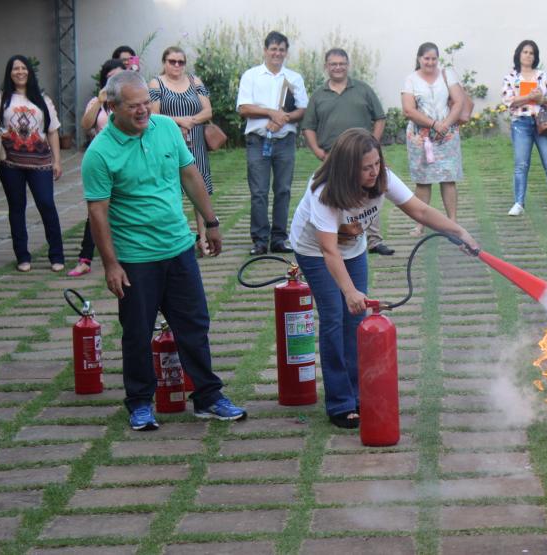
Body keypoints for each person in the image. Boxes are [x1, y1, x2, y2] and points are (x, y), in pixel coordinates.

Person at [82, 71, 246, 430]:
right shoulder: (99, 153)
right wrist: (111, 264)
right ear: (112, 107)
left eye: (146, 103)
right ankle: (140, 401)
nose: (143, 111)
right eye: (133, 106)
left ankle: (208, 396)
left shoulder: (167, 129)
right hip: (136, 257)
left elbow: (190, 175)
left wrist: (212, 221)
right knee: (137, 331)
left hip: (178, 246)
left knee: (194, 324)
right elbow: (98, 212)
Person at [290, 128, 478, 428]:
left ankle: (358, 393)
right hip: (313, 250)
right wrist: (349, 291)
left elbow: (420, 210)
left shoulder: (383, 178)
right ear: (347, 167)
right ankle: (340, 402)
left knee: (356, 319)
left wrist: (459, 232)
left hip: (352, 248)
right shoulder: (324, 192)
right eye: (366, 167)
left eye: (377, 163)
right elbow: (328, 250)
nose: (373, 172)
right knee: (335, 316)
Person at [302, 48, 393, 256]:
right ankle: (337, 237)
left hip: (363, 155)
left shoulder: (363, 89)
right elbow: (308, 127)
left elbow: (380, 117)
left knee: (371, 191)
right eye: (333, 64)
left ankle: (374, 240)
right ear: (326, 66)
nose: (338, 67)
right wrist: (317, 150)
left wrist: (373, 145)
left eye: (342, 63)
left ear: (348, 65)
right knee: (334, 196)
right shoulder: (318, 96)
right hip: (332, 158)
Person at [0, 55, 65, 273]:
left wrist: (57, 161)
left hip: (41, 163)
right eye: (15, 68)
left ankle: (57, 255)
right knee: (16, 208)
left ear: (29, 72)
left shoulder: (42, 99)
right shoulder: (2, 98)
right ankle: (23, 257)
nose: (20, 72)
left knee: (46, 204)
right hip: (10, 163)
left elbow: (53, 131)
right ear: (10, 73)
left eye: (23, 68)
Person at [236, 31, 308, 255]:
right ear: (265, 50)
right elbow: (243, 108)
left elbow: (302, 109)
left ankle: (279, 239)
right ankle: (259, 240)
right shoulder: (252, 75)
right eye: (273, 49)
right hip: (258, 141)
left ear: (286, 52)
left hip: (284, 141)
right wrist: (270, 113)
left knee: (283, 190)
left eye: (281, 49)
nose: (277, 53)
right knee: (258, 191)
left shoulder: (294, 78)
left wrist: (283, 119)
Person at [149, 46, 215, 257]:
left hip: (195, 142)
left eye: (180, 62)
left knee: (200, 187)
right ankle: (174, 236)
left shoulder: (195, 82)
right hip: (168, 141)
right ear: (164, 62)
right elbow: (153, 114)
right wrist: (179, 121)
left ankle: (202, 237)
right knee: (170, 189)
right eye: (171, 61)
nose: (176, 65)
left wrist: (191, 121)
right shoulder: (156, 83)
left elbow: (208, 111)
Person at [69, 59, 126, 277]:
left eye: (120, 75)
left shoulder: (130, 100)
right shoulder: (98, 101)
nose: (115, 80)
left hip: (127, 159)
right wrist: (99, 101)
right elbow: (85, 125)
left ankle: (126, 254)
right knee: (96, 209)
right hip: (103, 161)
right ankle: (85, 259)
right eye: (111, 76)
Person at [401, 42, 465, 237]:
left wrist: (444, 124)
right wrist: (433, 124)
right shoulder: (410, 80)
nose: (430, 62)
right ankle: (420, 224)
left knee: (448, 178)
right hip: (421, 138)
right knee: (423, 181)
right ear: (419, 59)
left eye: (433, 58)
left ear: (438, 59)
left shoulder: (447, 75)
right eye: (426, 58)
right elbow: (408, 110)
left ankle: (452, 223)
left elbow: (459, 101)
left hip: (447, 136)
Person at [501, 40, 547, 217]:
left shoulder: (542, 76)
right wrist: (528, 96)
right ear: (518, 55)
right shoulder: (511, 77)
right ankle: (519, 202)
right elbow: (508, 101)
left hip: (542, 122)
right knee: (521, 165)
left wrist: (540, 100)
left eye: (531, 53)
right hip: (521, 123)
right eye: (525, 52)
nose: (528, 55)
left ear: (535, 57)